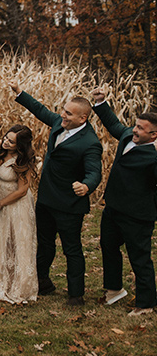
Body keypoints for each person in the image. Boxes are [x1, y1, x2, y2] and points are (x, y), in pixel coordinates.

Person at [13, 83, 102, 306]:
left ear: (83, 118)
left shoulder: (90, 142)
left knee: (72, 249)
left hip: (69, 204)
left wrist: (86, 186)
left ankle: (76, 294)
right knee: (44, 243)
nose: (62, 114)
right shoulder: (58, 123)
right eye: (63, 110)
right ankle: (42, 281)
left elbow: (94, 171)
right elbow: (41, 110)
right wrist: (20, 94)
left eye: (68, 113)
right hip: (47, 198)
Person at [91, 87, 157, 316]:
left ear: (154, 135)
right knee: (108, 247)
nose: (135, 130)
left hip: (137, 215)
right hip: (113, 208)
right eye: (136, 125)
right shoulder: (129, 136)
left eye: (141, 128)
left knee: (139, 258)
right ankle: (114, 289)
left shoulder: (153, 157)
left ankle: (146, 303)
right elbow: (115, 125)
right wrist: (101, 103)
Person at [0, 125, 38, 304]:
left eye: (11, 142)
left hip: (15, 205)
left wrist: (1, 203)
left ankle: (18, 285)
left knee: (17, 243)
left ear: (20, 146)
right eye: (6, 138)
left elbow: (23, 190)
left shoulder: (22, 160)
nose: (6, 142)